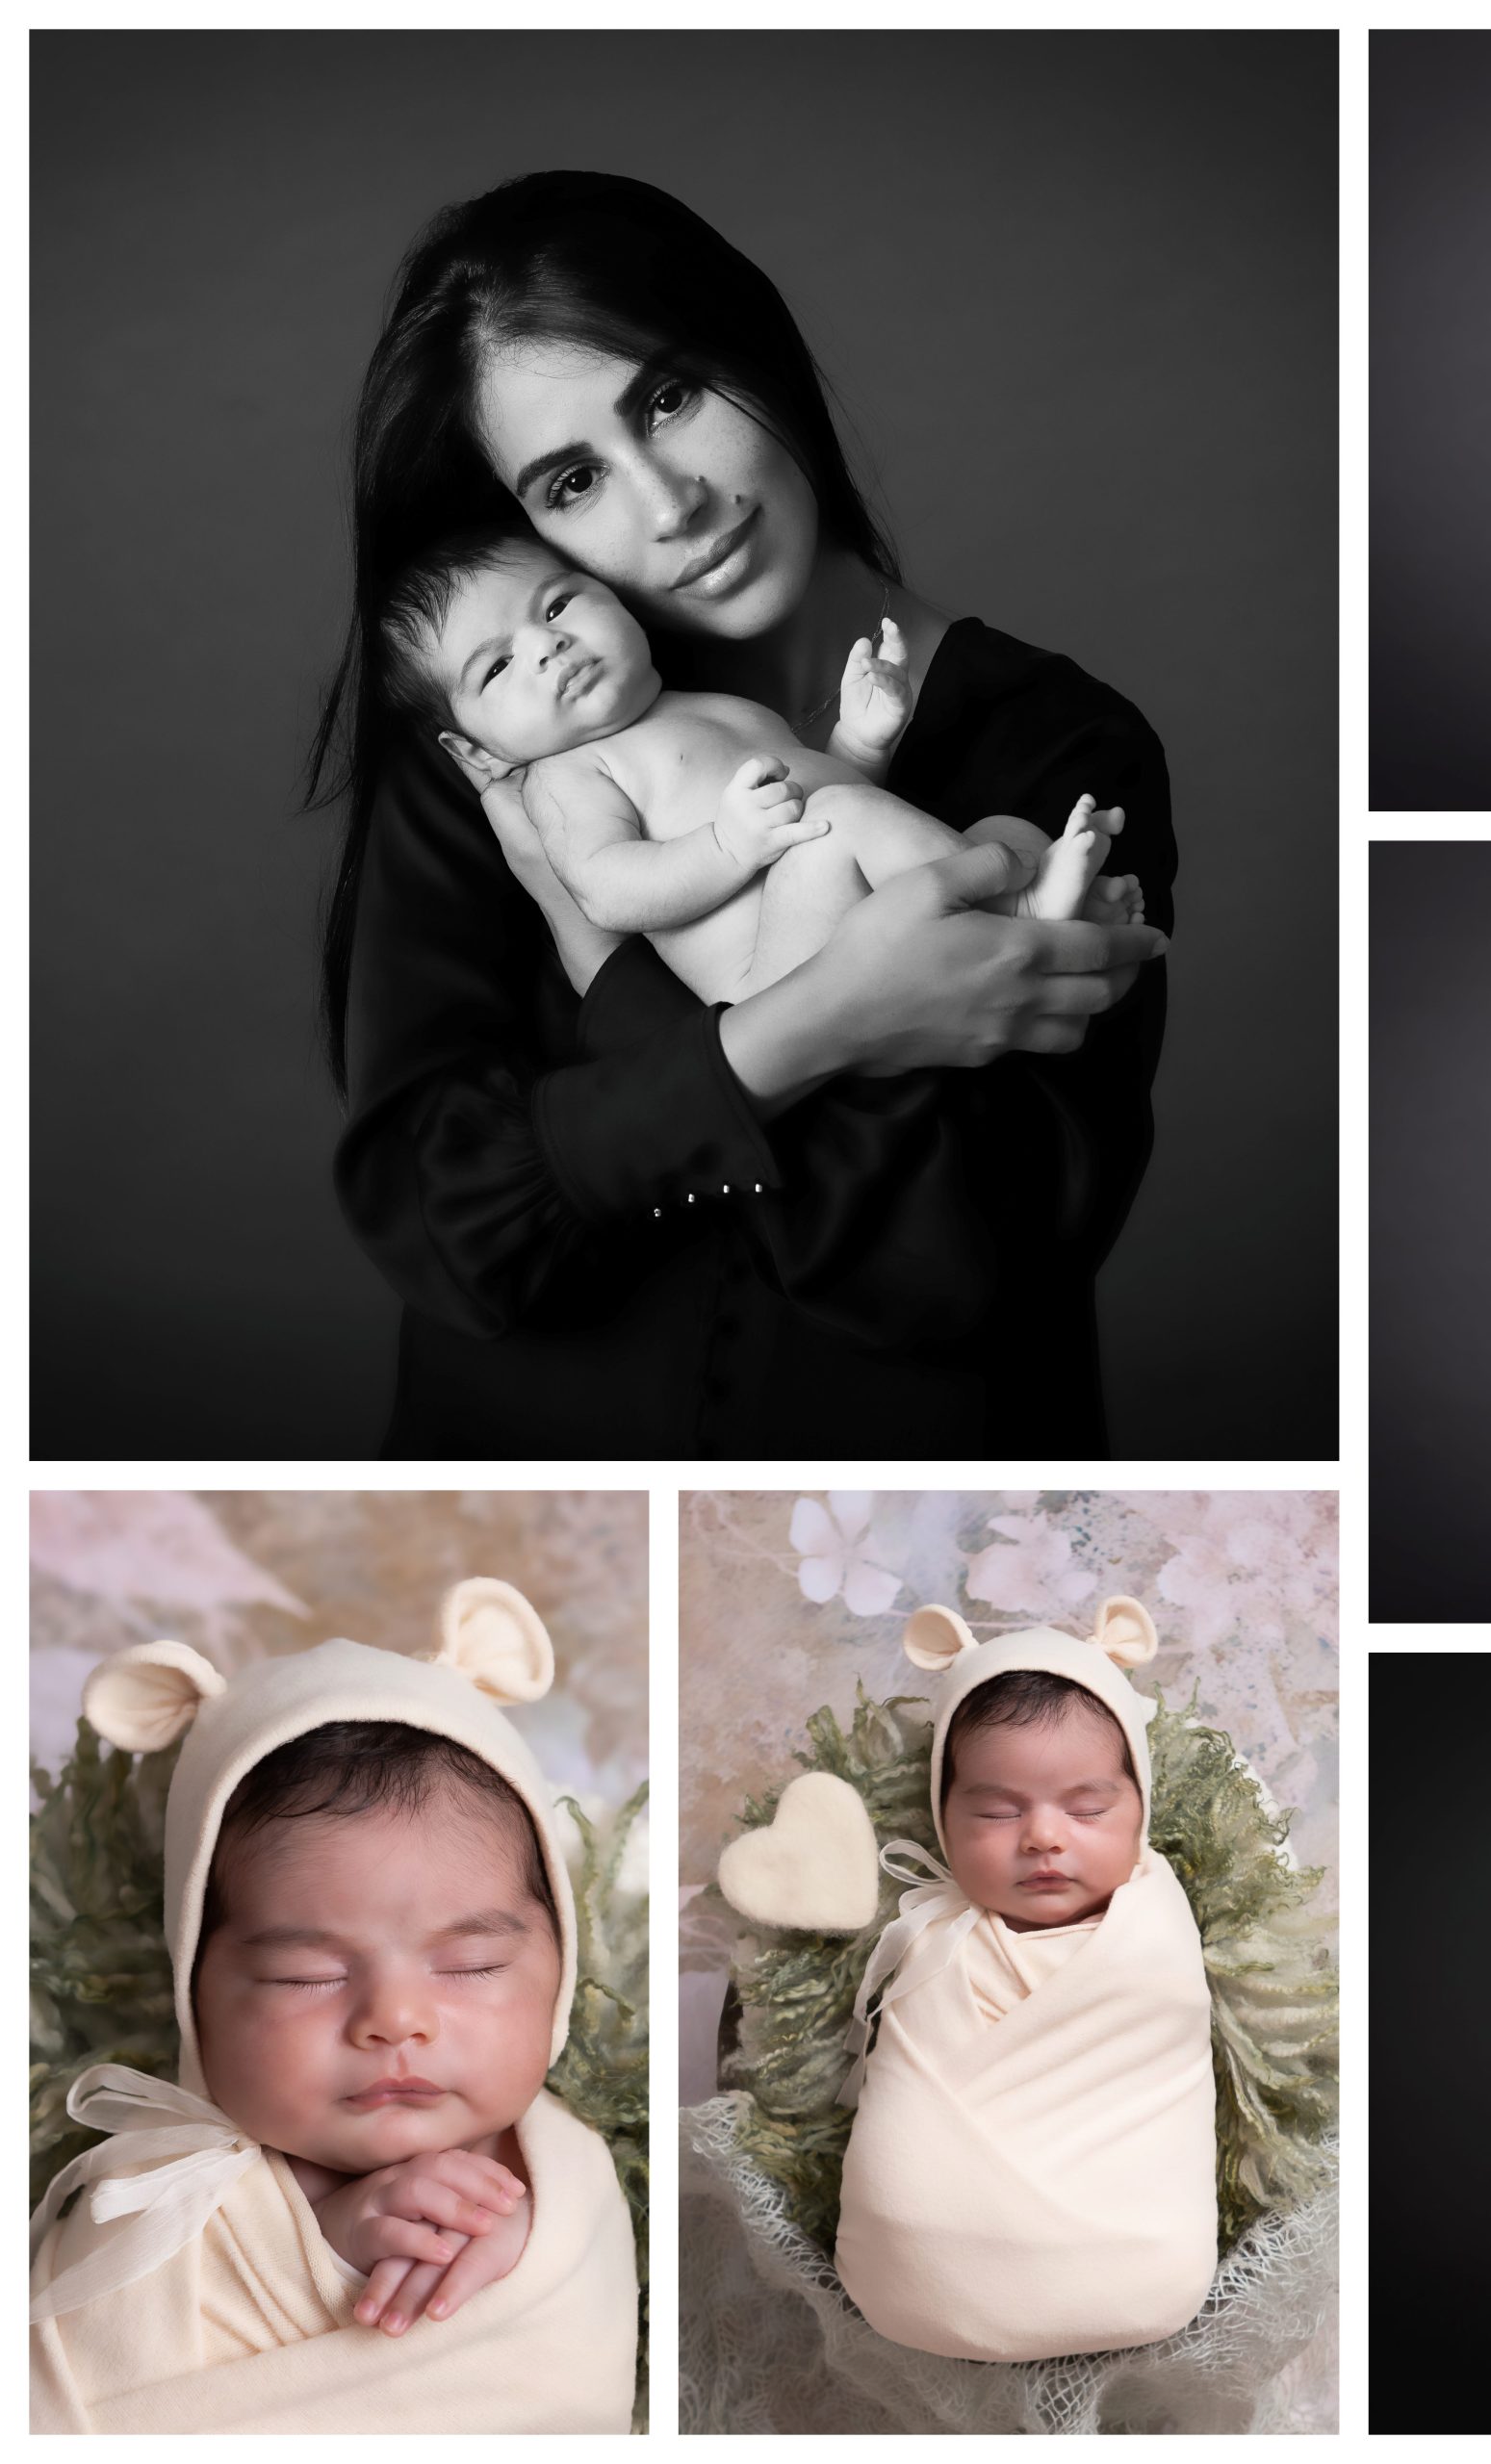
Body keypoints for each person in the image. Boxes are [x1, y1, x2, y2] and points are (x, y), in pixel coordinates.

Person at [307, 172, 1174, 1457]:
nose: (670, 506)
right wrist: (819, 1023)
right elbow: (444, 1225)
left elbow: (953, 1270)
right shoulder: (509, 755)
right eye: (570, 482)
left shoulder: (1059, 746)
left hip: (904, 1545)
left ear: (754, 346)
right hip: (538, 1537)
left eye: (669, 397)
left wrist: (610, 978)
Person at [31, 1581, 636, 2432]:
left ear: (560, 1969)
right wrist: (325, 2243)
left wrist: (520, 2245)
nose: (394, 2019)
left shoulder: (570, 2188)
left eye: (472, 1964)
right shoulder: (146, 2198)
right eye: (304, 1975)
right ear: (192, 1990)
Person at [714, 1599, 1217, 2364]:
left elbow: (1166, 2057)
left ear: (1139, 1809)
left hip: (1140, 2259)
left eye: (1086, 1808)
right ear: (943, 1819)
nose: (1044, 1836)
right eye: (995, 1811)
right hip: (910, 2278)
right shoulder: (926, 1934)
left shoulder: (1156, 1926)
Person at [382, 526, 1138, 1006]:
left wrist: (861, 744)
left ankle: (1049, 905)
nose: (545, 647)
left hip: (842, 905)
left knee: (998, 825)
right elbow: (607, 888)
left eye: (555, 607)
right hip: (775, 975)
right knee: (843, 825)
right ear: (476, 751)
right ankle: (1028, 914)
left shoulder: (710, 704)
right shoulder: (567, 777)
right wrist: (727, 847)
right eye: (498, 667)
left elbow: (824, 788)